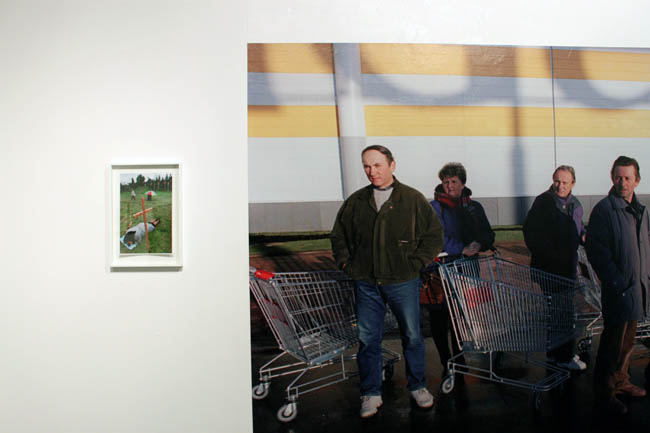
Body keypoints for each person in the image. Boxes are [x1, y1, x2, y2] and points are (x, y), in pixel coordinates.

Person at [331, 145, 443, 418]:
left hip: (402, 281)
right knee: (368, 339)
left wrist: (416, 263)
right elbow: (339, 236)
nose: (372, 171)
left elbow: (433, 236)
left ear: (392, 165)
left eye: (377, 165)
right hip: (366, 283)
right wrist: (347, 264)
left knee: (412, 336)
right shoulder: (357, 201)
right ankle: (371, 393)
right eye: (367, 166)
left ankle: (418, 387)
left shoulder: (412, 199)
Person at [586, 156, 649, 415]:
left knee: (628, 342)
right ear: (612, 178)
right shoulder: (604, 210)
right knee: (612, 344)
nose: (622, 182)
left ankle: (622, 382)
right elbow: (596, 251)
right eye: (618, 177)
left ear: (637, 180)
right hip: (619, 289)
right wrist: (616, 281)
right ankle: (604, 394)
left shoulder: (640, 210)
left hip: (637, 288)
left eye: (627, 178)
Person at [423, 162, 495, 378]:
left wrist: (479, 244)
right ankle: (446, 360)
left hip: (466, 269)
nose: (450, 186)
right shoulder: (435, 208)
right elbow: (436, 237)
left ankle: (459, 358)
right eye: (446, 182)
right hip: (439, 270)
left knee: (460, 316)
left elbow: (487, 233)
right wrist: (461, 248)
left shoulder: (473, 207)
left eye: (454, 181)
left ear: (463, 183)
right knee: (439, 317)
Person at [523, 165, 587, 371]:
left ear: (572, 183)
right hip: (550, 268)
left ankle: (555, 354)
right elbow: (531, 233)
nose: (560, 186)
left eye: (565, 182)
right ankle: (564, 356)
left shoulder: (575, 204)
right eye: (557, 181)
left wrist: (583, 235)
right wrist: (550, 255)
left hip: (567, 266)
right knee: (563, 312)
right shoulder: (543, 202)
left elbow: (577, 228)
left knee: (559, 311)